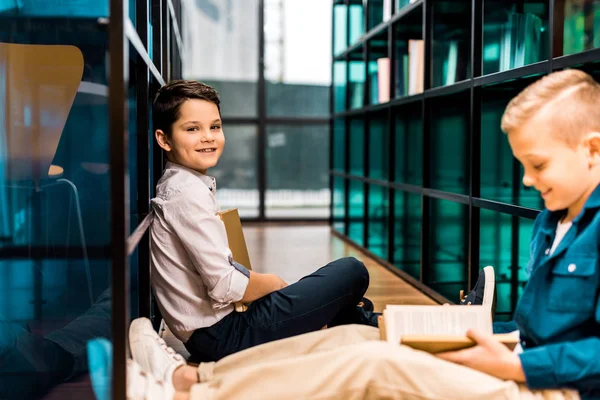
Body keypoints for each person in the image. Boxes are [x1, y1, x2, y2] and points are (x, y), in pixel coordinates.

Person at [98, 68, 598, 400]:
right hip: (520, 362)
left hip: (545, 388)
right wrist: (484, 337)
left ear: (592, 150)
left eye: (536, 165)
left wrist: (515, 367)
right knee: (356, 336)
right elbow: (537, 332)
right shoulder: (550, 221)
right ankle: (192, 379)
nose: (527, 182)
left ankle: (193, 390)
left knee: (371, 362)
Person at [149, 80, 379, 363]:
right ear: (164, 139)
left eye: (215, 126)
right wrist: (273, 283)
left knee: (325, 291)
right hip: (224, 335)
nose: (208, 137)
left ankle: (354, 319)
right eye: (192, 129)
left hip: (221, 329)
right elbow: (224, 286)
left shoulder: (187, 184)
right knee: (352, 271)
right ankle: (356, 319)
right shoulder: (186, 193)